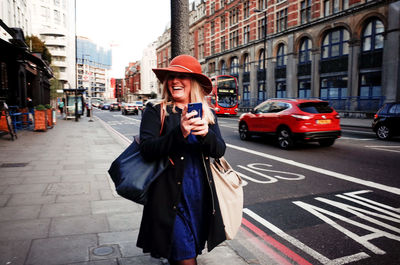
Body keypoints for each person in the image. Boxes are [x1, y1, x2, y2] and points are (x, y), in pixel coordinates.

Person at [137, 54, 227, 265]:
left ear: (193, 82)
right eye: (171, 76)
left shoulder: (207, 113)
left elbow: (219, 150)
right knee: (186, 258)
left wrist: (206, 134)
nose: (174, 81)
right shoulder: (156, 110)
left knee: (189, 250)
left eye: (181, 76)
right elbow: (147, 149)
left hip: (200, 197)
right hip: (169, 198)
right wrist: (179, 133)